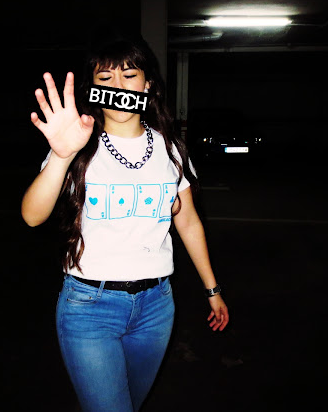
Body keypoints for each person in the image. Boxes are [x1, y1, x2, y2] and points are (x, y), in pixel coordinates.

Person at [21, 33, 228, 411]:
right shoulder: (78, 145)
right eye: (105, 78)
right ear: (94, 89)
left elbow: (188, 222)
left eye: (129, 75)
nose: (118, 86)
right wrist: (61, 155)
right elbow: (32, 216)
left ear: (148, 85)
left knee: (131, 402)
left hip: (156, 306)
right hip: (89, 306)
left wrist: (212, 289)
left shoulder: (171, 148)